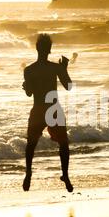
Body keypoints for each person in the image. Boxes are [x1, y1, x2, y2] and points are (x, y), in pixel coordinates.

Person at [22, 34, 73, 192]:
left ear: (37, 48)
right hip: (53, 109)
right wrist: (64, 69)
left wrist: (26, 87)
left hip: (38, 109)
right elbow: (68, 86)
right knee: (63, 144)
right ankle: (65, 174)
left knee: (31, 144)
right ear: (49, 50)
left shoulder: (29, 70)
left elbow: (29, 93)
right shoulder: (55, 68)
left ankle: (28, 172)